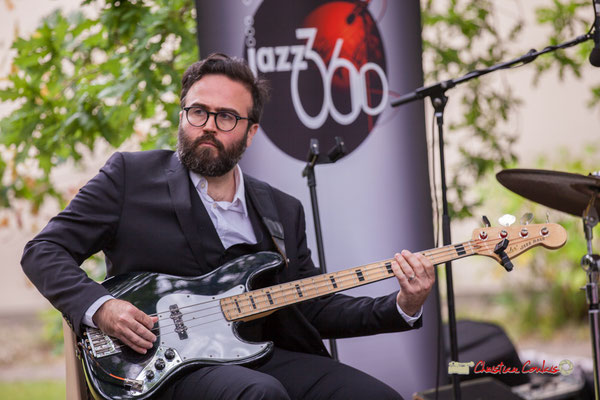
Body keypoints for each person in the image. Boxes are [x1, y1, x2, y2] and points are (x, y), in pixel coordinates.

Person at [21, 53, 435, 400]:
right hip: (162, 364)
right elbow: (43, 251)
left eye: (226, 117)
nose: (208, 126)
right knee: (260, 395)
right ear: (183, 113)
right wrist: (101, 308)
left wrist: (404, 304)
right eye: (198, 111)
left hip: (254, 352)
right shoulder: (130, 176)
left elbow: (311, 306)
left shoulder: (281, 209)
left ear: (250, 132)